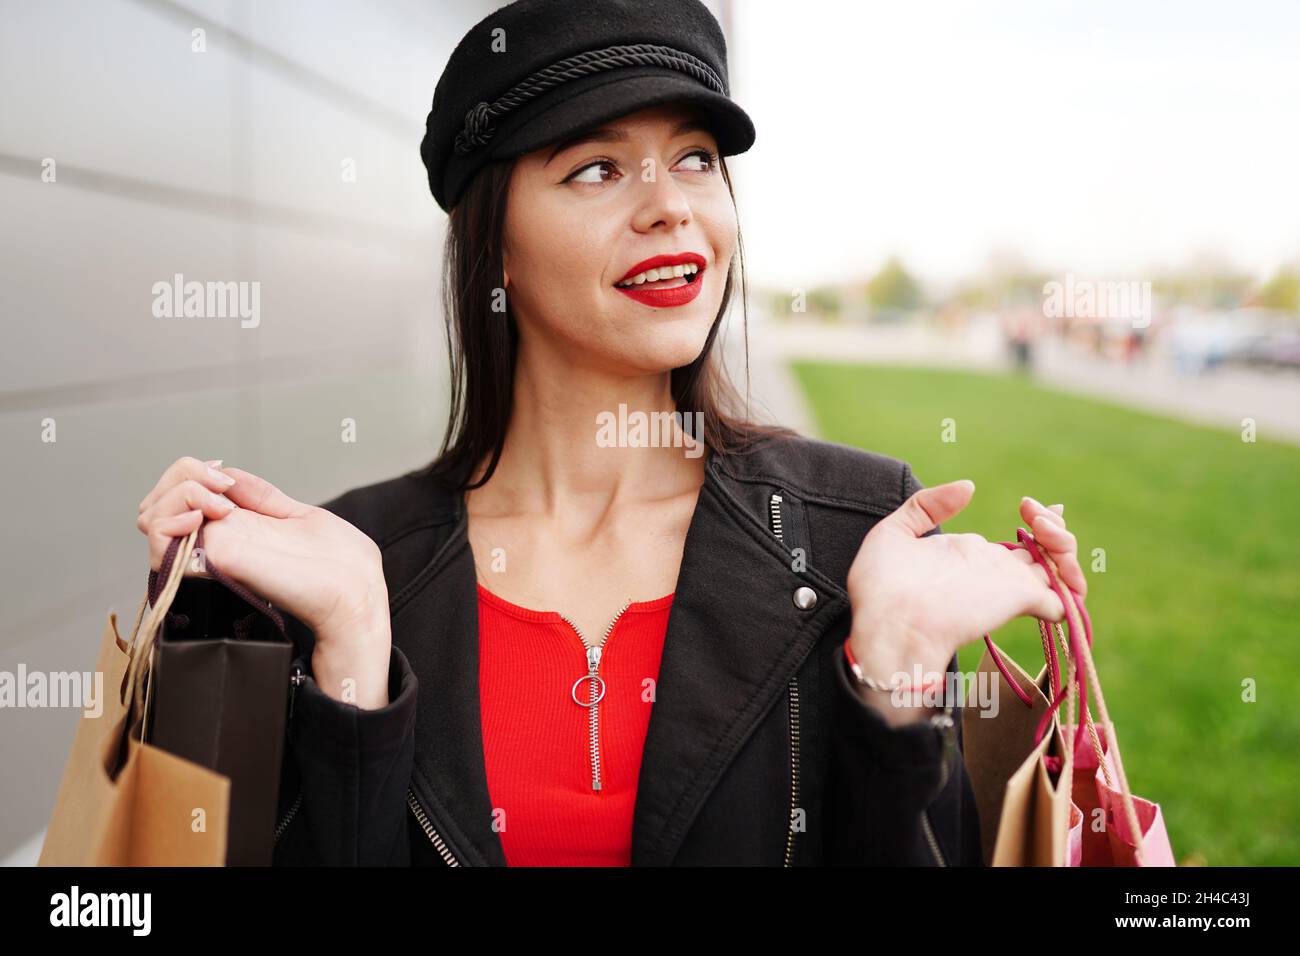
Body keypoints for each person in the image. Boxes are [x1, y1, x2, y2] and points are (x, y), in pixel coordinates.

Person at [133, 0, 1085, 866]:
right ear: (494, 240)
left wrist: (897, 675)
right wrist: (348, 665)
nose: (671, 203)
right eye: (596, 167)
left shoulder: (859, 536)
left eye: (696, 159)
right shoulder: (349, 569)